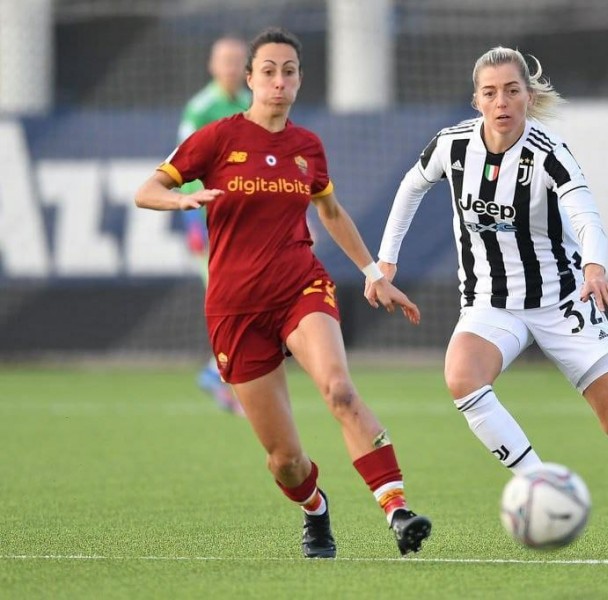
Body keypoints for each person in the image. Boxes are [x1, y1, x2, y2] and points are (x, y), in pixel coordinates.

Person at [367, 46, 608, 555]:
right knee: (461, 378)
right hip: (491, 302)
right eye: (489, 92)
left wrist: (593, 265)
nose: (501, 101)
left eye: (511, 90)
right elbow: (412, 186)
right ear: (476, 99)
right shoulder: (451, 145)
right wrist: (385, 262)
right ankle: (540, 485)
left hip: (562, 299)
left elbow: (586, 215)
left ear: (527, 95)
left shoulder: (548, 153)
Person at [135, 27, 431, 558]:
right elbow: (146, 190)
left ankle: (397, 510)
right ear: (249, 79)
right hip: (234, 308)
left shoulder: (306, 147)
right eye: (268, 71)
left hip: (299, 287)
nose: (278, 80)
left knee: (339, 390)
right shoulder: (217, 137)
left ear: (298, 81)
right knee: (285, 461)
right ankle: (315, 508)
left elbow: (331, 212)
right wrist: (179, 201)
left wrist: (372, 272)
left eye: (289, 71)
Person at [178, 35, 252, 416]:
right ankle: (219, 373)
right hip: (208, 223)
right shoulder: (201, 108)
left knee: (240, 298)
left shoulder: (246, 105)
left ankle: (218, 373)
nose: (232, 67)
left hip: (240, 223)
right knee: (228, 298)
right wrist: (192, 220)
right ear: (211, 65)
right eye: (225, 60)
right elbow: (183, 162)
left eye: (238, 60)